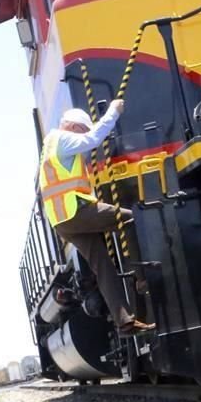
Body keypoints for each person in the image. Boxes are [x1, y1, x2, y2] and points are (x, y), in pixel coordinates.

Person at [39, 102, 155, 336]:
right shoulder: (62, 138)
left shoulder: (49, 146)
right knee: (129, 218)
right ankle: (142, 280)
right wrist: (114, 111)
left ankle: (125, 322)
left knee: (102, 266)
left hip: (62, 221)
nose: (82, 138)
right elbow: (93, 139)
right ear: (72, 126)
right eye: (82, 130)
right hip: (75, 212)